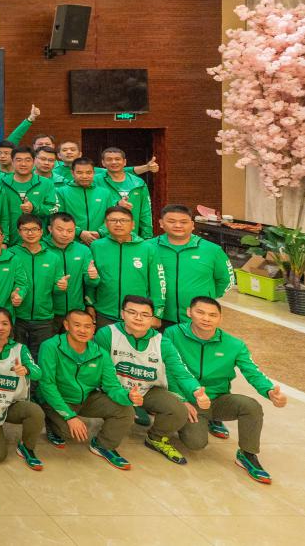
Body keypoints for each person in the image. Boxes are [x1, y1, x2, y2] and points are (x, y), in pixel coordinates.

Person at [165, 296, 287, 484]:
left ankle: (247, 455)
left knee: (251, 406)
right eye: (200, 312)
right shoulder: (172, 334)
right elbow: (169, 370)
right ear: (189, 312)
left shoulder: (234, 345)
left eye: (213, 315)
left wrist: (269, 391)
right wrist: (181, 400)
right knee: (196, 443)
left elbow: (253, 372)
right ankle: (183, 421)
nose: (206, 318)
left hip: (218, 399)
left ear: (220, 318)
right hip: (189, 400)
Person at [93, 295, 204, 465]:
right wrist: (124, 396)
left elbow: (180, 371)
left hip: (147, 390)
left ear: (152, 318)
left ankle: (156, 438)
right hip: (114, 389)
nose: (138, 318)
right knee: (125, 413)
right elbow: (102, 372)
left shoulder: (162, 342)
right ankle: (103, 443)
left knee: (177, 410)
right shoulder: (107, 334)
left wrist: (195, 390)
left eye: (145, 315)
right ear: (122, 314)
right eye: (132, 312)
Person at [36, 309, 135, 470]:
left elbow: (112, 386)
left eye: (87, 326)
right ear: (66, 325)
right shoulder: (50, 346)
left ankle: (103, 445)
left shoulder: (100, 353)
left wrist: (128, 396)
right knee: (69, 433)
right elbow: (47, 385)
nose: (83, 330)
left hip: (86, 398)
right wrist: (69, 416)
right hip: (57, 398)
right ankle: (53, 423)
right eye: (77, 325)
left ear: (93, 329)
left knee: (126, 410)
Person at [0, 307, 45, 470]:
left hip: (11, 404)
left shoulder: (20, 349)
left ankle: (27, 447)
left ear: (11, 326)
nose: (0, 327)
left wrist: (26, 369)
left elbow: (38, 373)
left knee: (35, 412)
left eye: (5, 323)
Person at [154, 205, 234, 327]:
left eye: (183, 222)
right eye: (171, 221)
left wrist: (208, 297)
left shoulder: (212, 250)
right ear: (161, 223)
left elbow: (226, 280)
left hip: (197, 320)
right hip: (158, 317)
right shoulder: (148, 247)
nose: (178, 225)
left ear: (192, 225)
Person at [88, 206, 165, 329]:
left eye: (123, 220)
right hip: (104, 312)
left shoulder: (148, 248)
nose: (118, 224)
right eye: (113, 220)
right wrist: (89, 304)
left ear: (133, 224)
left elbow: (158, 282)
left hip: (138, 314)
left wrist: (157, 313)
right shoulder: (96, 246)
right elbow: (90, 278)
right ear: (106, 224)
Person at [11, 215, 65, 361]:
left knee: (41, 358)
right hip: (17, 317)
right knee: (17, 358)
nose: (30, 233)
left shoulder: (53, 257)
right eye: (25, 229)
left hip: (44, 318)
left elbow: (57, 288)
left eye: (34, 229)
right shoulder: (11, 254)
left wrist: (61, 286)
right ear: (19, 232)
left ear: (42, 232)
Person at [47, 212, 94, 325]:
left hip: (76, 312)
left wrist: (94, 277)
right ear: (50, 229)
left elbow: (90, 283)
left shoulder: (83, 250)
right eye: (60, 229)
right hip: (47, 314)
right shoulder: (41, 249)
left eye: (70, 231)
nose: (65, 234)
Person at [98, 148, 153, 240]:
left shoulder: (138, 183)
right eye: (109, 159)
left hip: (132, 237)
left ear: (124, 162)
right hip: (101, 237)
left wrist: (147, 237)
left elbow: (145, 212)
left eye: (117, 159)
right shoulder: (95, 181)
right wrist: (116, 204)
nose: (114, 162)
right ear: (103, 163)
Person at [56, 158, 115, 244]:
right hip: (71, 242)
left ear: (94, 173)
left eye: (88, 173)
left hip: (100, 241)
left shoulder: (105, 193)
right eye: (79, 172)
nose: (84, 176)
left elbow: (112, 217)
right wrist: (80, 233)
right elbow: (58, 217)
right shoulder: (61, 192)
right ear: (72, 173)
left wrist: (100, 233)